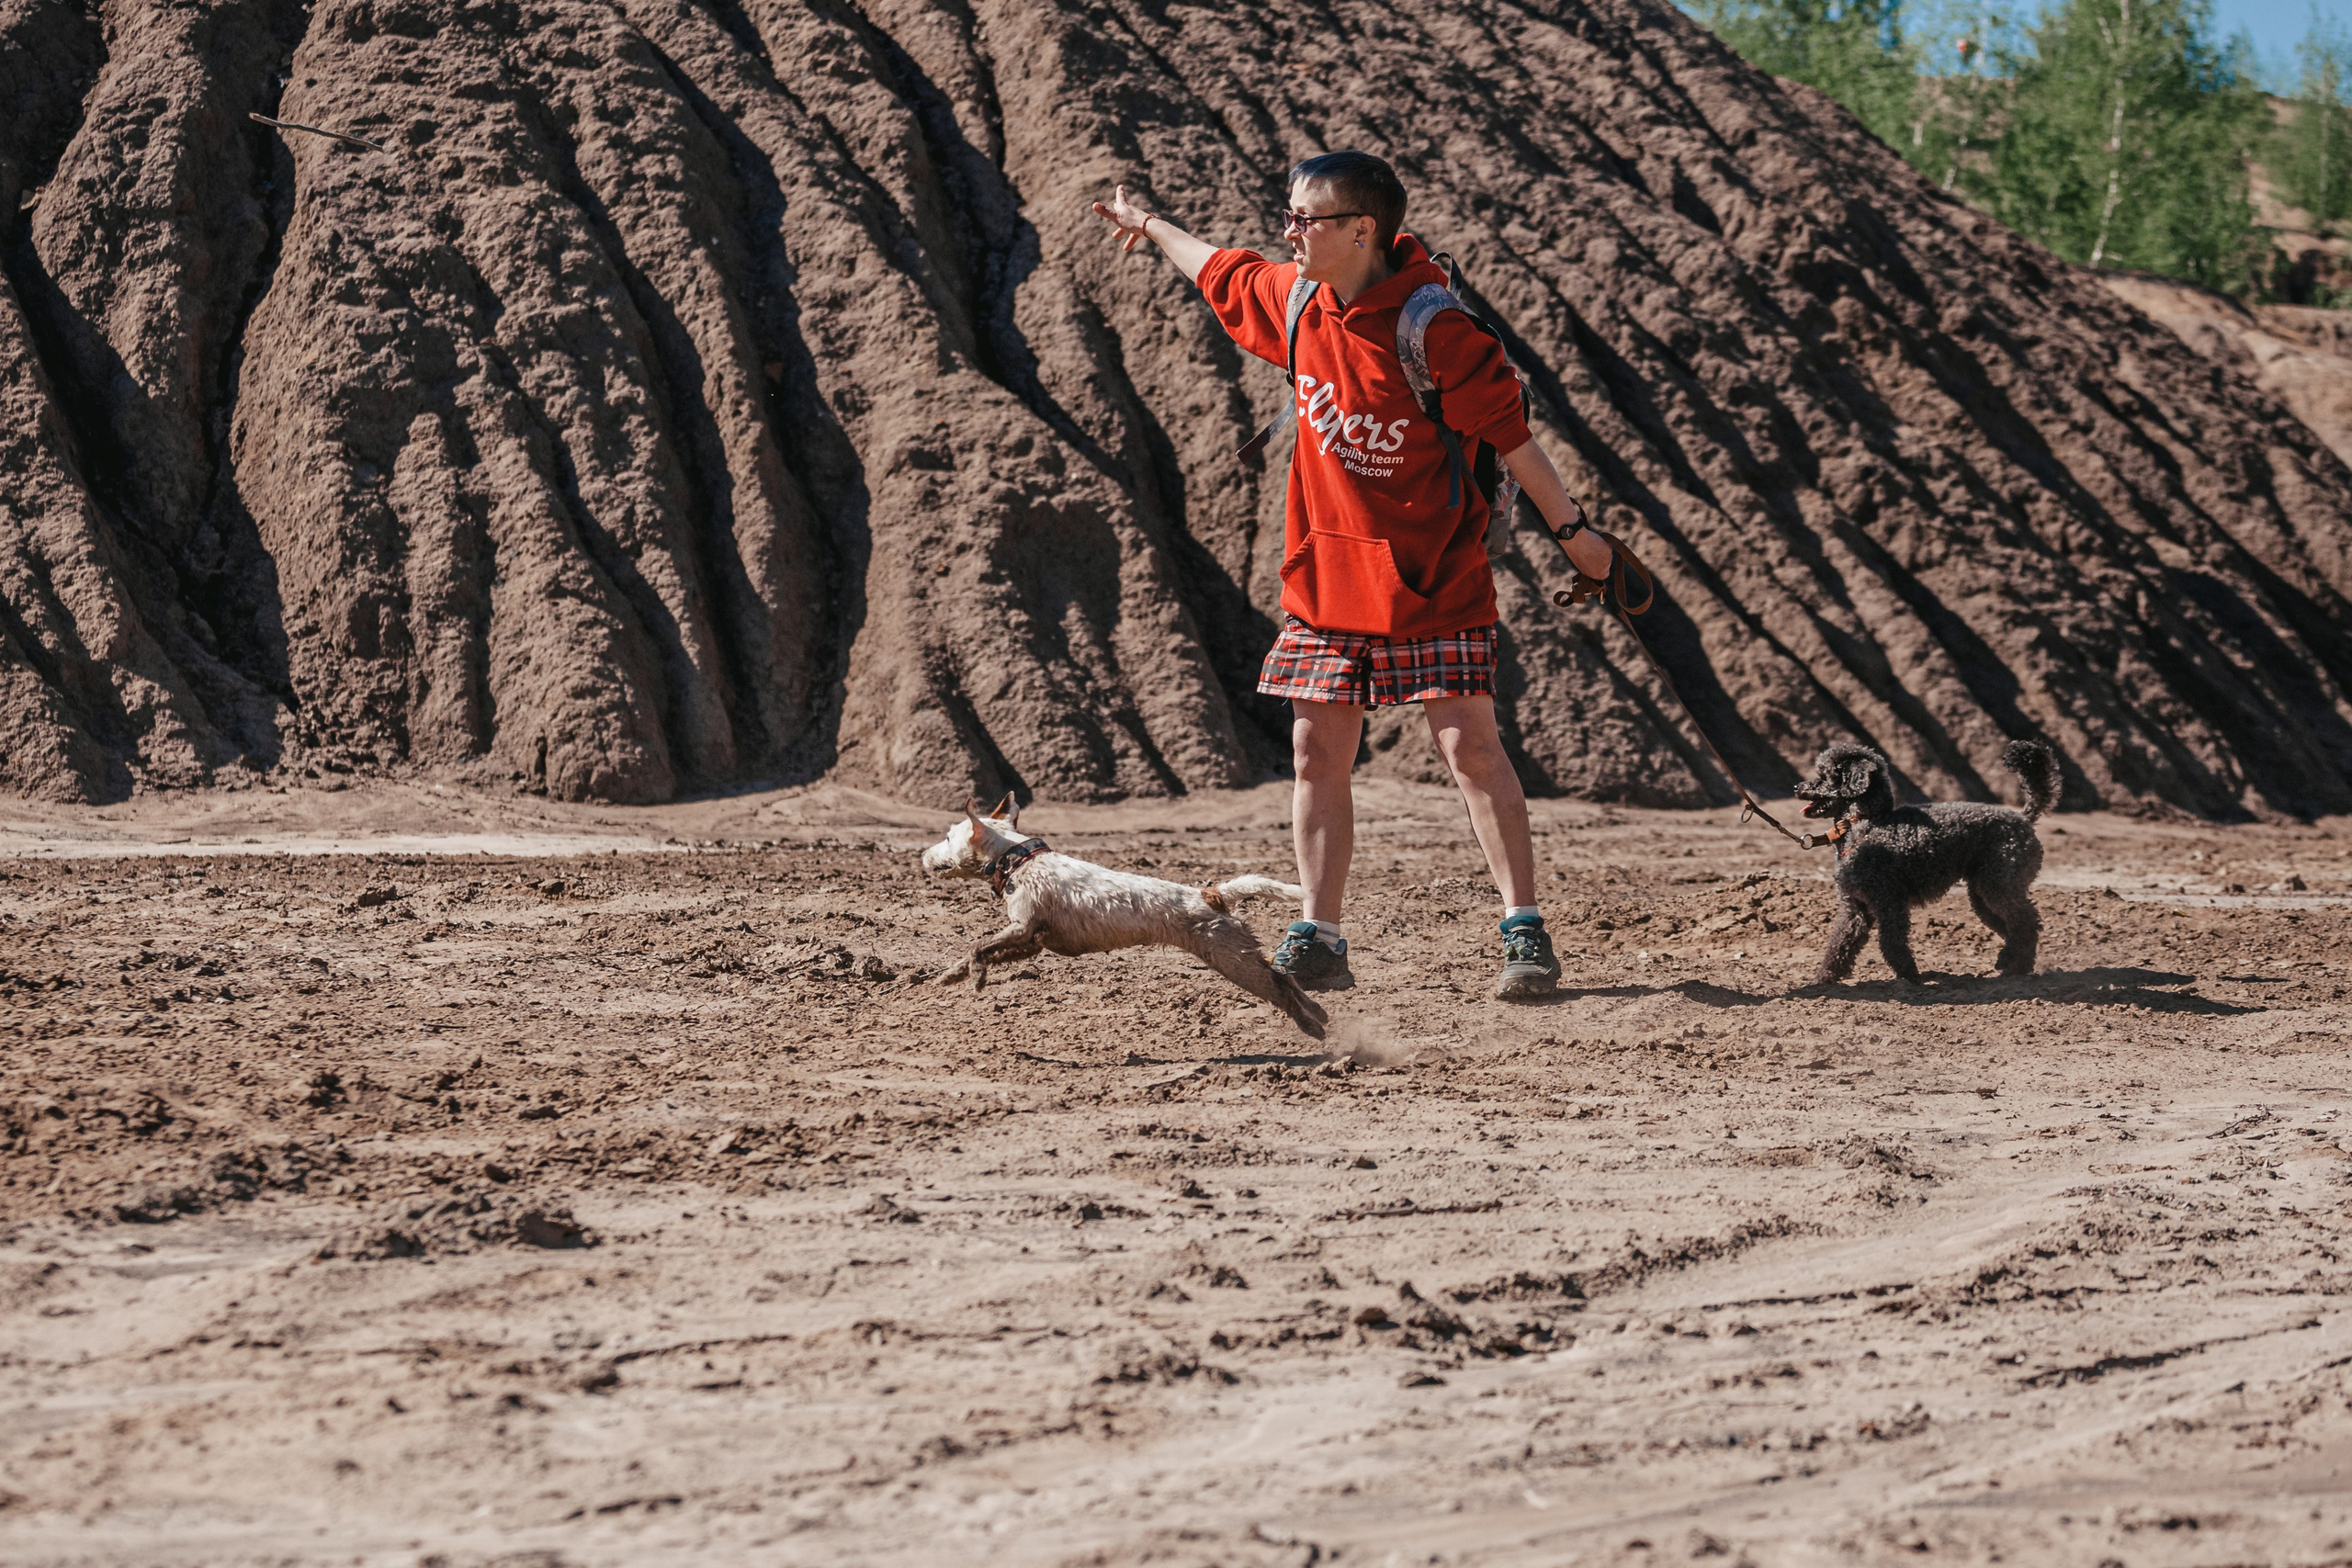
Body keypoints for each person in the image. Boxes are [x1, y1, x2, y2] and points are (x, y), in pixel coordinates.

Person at [1091, 150, 1615, 1000]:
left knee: (1469, 746)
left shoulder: (1436, 329)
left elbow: (1514, 440)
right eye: (1290, 214)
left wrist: (1578, 537)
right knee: (1314, 750)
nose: (1290, 231)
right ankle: (1320, 935)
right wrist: (1147, 225)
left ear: (1364, 229)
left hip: (1432, 573)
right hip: (1328, 576)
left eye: (1309, 219)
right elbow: (1220, 267)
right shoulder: (1299, 300)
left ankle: (1525, 931)